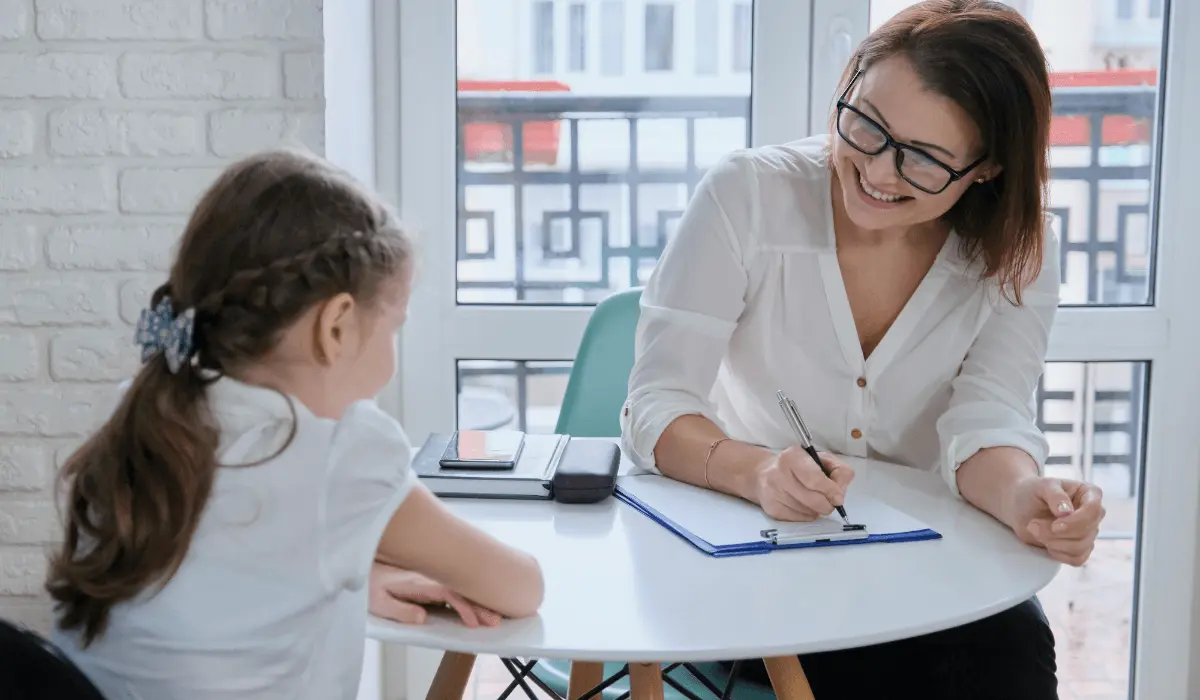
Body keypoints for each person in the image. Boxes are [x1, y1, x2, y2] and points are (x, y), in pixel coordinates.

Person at [619, 1, 1105, 698]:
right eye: (866, 125)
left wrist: (1026, 495)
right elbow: (656, 405)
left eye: (927, 158)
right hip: (745, 551)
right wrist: (757, 473)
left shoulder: (1020, 250)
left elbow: (985, 420)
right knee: (870, 661)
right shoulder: (748, 194)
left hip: (919, 561)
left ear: (989, 168)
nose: (877, 169)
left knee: (1013, 647)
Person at [44, 149, 545, 700]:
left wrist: (363, 572)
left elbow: (217, 583)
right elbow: (520, 587)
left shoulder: (149, 418)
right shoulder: (344, 452)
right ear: (336, 326)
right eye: (394, 326)